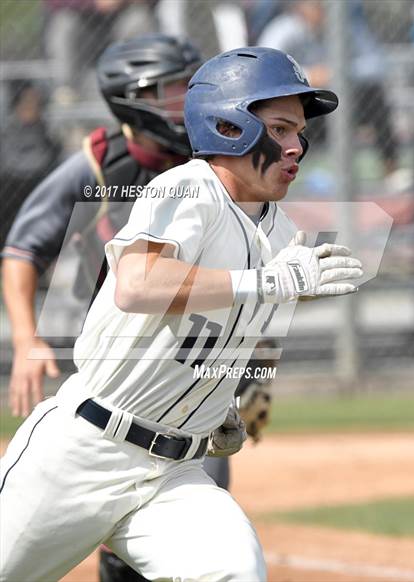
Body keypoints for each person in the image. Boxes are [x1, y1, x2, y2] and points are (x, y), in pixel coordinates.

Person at [0, 47, 363, 581]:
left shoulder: (280, 233)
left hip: (174, 472)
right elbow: (137, 283)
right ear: (228, 126)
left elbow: (222, 334)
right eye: (282, 129)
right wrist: (269, 281)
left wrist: (217, 405)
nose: (297, 147)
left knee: (236, 571)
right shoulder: (187, 186)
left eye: (300, 133)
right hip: (84, 452)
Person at [258, 0, 399, 176]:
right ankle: (275, 169)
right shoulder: (284, 29)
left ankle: (390, 167)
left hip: (341, 102)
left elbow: (377, 65)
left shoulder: (345, 28)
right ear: (300, 7)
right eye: (315, 4)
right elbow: (264, 67)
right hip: (304, 107)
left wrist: (339, 73)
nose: (321, 9)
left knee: (374, 94)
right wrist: (307, 75)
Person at [0, 80, 62, 249]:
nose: (34, 106)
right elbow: (15, 165)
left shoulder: (44, 132)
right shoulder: (8, 133)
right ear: (17, 103)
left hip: (39, 199)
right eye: (28, 101)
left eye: (37, 101)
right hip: (10, 199)